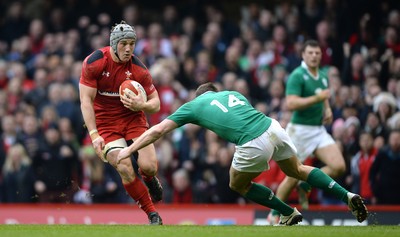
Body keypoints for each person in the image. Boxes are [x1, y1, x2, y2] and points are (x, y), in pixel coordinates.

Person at [117, 82, 368, 225]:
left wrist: (129, 149)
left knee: (237, 183)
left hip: (251, 141)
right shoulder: (232, 94)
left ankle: (286, 211)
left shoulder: (194, 105)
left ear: (199, 96)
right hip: (273, 127)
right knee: (298, 170)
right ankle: (346, 195)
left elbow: (157, 131)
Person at [79, 20, 163, 225]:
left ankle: (150, 179)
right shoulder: (94, 62)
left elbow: (156, 104)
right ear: (114, 43)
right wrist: (94, 135)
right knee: (124, 166)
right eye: (123, 44)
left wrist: (142, 104)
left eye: (132, 44)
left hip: (133, 119)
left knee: (150, 167)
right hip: (106, 124)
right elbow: (85, 101)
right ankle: (152, 214)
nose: (128, 49)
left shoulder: (139, 68)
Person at [268, 39, 347, 223]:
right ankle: (273, 215)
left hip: (318, 130)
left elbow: (324, 95)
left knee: (339, 167)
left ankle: (307, 182)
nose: (314, 56)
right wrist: (316, 98)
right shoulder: (297, 75)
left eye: (317, 53)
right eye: (310, 53)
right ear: (303, 55)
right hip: (299, 132)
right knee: (291, 177)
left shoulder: (323, 75)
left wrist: (326, 108)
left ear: (321, 55)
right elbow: (291, 103)